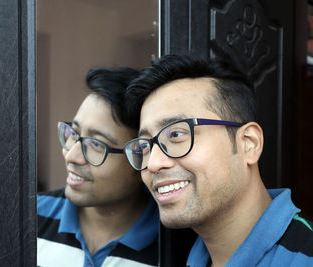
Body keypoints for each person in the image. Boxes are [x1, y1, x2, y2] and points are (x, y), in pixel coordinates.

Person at [122, 54, 313, 266]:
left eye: (176, 135)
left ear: (248, 143)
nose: (153, 163)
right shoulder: (197, 257)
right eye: (145, 146)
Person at [37, 67, 160, 267]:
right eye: (74, 134)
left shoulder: (177, 245)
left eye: (96, 144)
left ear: (141, 158)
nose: (72, 156)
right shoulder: (30, 217)